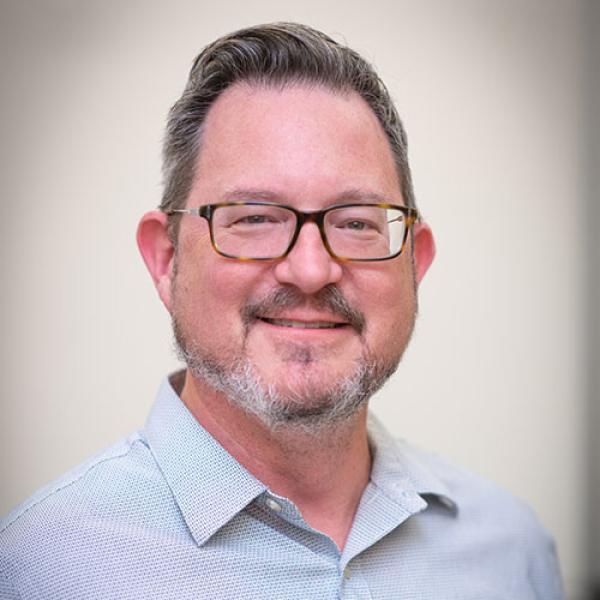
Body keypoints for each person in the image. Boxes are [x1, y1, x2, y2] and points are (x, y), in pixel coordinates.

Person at [0, 22, 563, 599]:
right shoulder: (38, 568)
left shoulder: (512, 552)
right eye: (255, 218)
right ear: (167, 259)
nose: (311, 270)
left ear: (414, 264)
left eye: (356, 224)